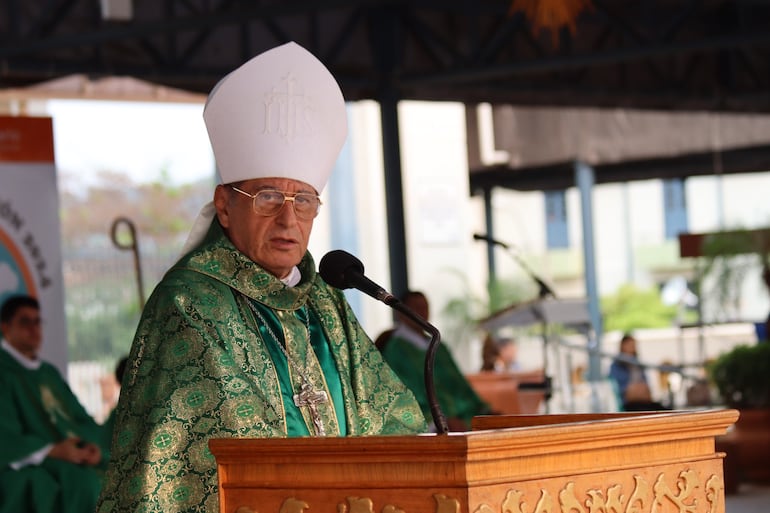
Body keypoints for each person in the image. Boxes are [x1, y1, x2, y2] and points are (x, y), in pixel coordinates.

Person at [97, 42, 426, 513]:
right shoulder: (189, 302)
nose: (289, 221)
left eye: (304, 201)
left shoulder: (325, 300)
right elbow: (208, 446)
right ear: (226, 207)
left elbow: (393, 416)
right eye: (268, 197)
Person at [0, 294, 110, 513]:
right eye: (25, 322)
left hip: (70, 453)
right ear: (5, 327)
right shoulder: (3, 372)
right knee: (83, 484)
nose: (34, 329)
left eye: (37, 321)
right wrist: (52, 450)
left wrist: (91, 447)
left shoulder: (48, 373)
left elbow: (79, 418)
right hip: (30, 458)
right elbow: (6, 435)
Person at [378, 290, 491, 432]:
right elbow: (401, 395)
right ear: (401, 312)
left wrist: (484, 411)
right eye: (416, 307)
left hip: (462, 418)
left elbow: (459, 383)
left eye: (425, 307)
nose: (422, 312)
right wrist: (438, 421)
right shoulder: (395, 350)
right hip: (431, 423)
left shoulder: (438, 346)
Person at [608, 333, 667, 411]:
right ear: (623, 346)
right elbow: (618, 389)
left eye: (633, 345)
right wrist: (634, 390)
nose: (632, 347)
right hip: (629, 404)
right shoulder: (616, 366)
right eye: (629, 345)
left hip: (644, 402)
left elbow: (647, 388)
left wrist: (640, 390)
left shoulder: (638, 364)